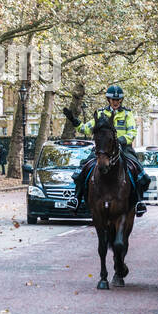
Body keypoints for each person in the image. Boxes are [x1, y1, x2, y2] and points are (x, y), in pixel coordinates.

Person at [65, 84, 152, 216]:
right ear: (109, 100)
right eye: (113, 100)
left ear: (121, 100)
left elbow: (132, 132)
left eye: (118, 100)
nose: (116, 102)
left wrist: (122, 140)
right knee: (83, 169)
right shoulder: (100, 114)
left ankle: (139, 201)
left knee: (139, 172)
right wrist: (74, 121)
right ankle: (76, 198)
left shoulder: (127, 114)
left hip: (123, 148)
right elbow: (86, 128)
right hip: (103, 149)